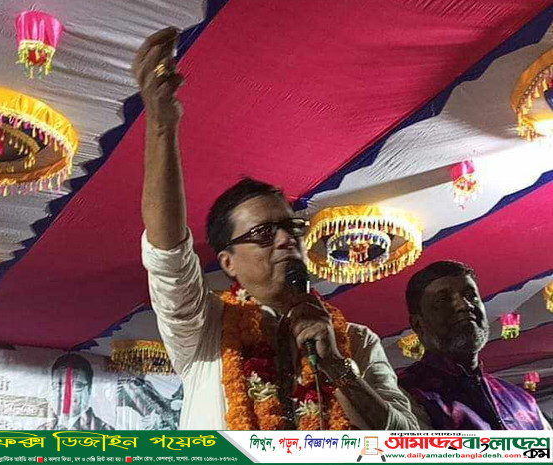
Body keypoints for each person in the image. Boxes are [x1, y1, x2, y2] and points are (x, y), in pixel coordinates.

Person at [136, 27, 418, 430]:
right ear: (228, 262)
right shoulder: (203, 329)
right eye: (264, 234)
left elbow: (408, 441)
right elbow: (168, 258)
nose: (287, 239)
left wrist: (337, 367)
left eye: (291, 228)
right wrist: (162, 127)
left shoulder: (357, 341)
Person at [398, 260, 551, 430]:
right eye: (442, 300)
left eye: (471, 296)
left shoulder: (523, 402)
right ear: (418, 324)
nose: (465, 305)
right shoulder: (402, 395)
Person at [39, 354, 113, 430]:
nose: (66, 394)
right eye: (59, 385)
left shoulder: (106, 431)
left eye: (77, 385)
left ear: (90, 389)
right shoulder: (42, 431)